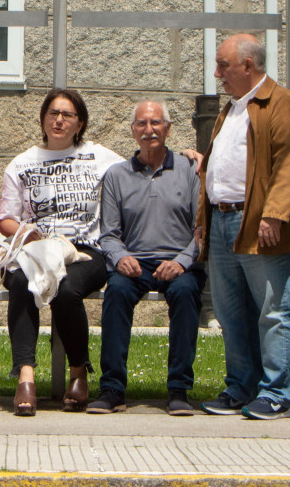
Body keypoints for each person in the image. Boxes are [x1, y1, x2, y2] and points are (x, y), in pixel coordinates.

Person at [196, 34, 290, 420]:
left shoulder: (280, 103)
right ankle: (242, 387)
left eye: (223, 66)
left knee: (275, 310)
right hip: (222, 220)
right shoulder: (232, 108)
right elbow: (218, 169)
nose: (217, 74)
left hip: (258, 222)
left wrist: (274, 215)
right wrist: (202, 220)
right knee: (231, 313)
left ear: (248, 65)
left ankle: (277, 393)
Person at [0, 88, 124, 415]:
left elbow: (139, 170)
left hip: (85, 250)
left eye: (67, 115)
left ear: (79, 123)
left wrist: (185, 158)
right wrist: (29, 232)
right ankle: (25, 375)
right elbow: (6, 219)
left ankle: (78, 372)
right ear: (42, 119)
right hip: (38, 249)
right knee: (21, 282)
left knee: (67, 290)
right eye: (53, 113)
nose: (59, 120)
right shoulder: (21, 163)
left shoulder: (101, 158)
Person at [89, 101, 206, 416]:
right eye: (141, 123)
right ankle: (112, 389)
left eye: (156, 123)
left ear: (168, 128)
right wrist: (120, 256)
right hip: (135, 262)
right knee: (116, 293)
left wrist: (183, 261)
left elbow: (202, 229)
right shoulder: (116, 175)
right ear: (132, 130)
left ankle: (179, 390)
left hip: (180, 263)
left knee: (184, 293)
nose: (148, 129)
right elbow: (109, 233)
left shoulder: (191, 170)